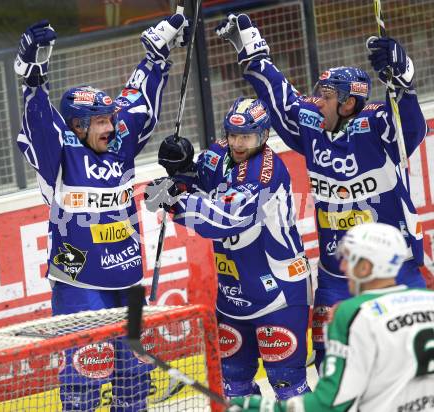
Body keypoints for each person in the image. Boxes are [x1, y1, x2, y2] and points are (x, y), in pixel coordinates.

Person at [215, 13, 428, 370]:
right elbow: (283, 100)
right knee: (331, 362)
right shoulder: (314, 123)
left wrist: (402, 79)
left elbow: (410, 127)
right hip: (336, 274)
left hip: (395, 269)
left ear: (348, 103)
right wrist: (251, 49)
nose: (318, 101)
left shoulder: (376, 124)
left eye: (327, 96)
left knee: (412, 361)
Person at [15, 16, 190, 411]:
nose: (111, 126)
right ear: (76, 127)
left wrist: (157, 54)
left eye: (109, 119)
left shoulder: (117, 142)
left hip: (126, 279)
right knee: (85, 370)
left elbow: (137, 104)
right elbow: (40, 123)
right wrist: (32, 76)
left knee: (133, 377)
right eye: (100, 121)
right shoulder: (57, 155)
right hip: (79, 283)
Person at [144, 97, 313, 400]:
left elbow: (226, 218)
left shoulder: (265, 172)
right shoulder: (218, 153)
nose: (237, 143)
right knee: (233, 387)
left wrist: (174, 203)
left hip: (278, 293)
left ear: (263, 136)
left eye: (246, 137)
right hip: (232, 296)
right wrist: (178, 173)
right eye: (233, 135)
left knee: (288, 387)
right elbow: (200, 183)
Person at [228, 222, 434, 412]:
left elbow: (329, 402)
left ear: (366, 267)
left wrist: (262, 407)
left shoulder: (354, 312)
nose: (343, 267)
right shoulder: (429, 299)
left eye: (348, 259)